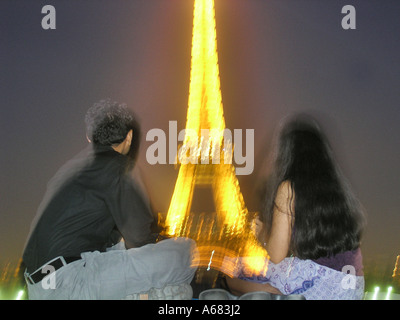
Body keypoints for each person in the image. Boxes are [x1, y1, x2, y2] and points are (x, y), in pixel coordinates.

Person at [22, 99, 197, 299]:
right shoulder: (119, 167)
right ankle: (142, 295)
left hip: (39, 287)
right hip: (72, 282)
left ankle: (141, 294)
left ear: (89, 137)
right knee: (185, 251)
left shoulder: (67, 171)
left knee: (119, 246)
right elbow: (140, 238)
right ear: (129, 137)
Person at [227, 114, 366, 300]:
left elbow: (276, 255)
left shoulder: (289, 188)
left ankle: (270, 292)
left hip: (320, 286)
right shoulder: (339, 190)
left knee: (233, 272)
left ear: (286, 153)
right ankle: (271, 291)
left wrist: (262, 234)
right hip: (352, 286)